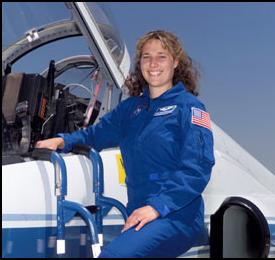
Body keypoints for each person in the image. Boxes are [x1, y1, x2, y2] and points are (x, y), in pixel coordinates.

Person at [35, 30, 215, 258]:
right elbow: (96, 134)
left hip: (176, 215)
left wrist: (157, 208)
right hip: (140, 212)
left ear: (175, 62)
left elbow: (197, 169)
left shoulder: (189, 108)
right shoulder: (131, 110)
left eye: (161, 56)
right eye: (147, 57)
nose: (153, 64)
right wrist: (63, 140)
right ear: (140, 63)